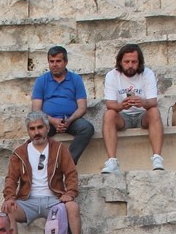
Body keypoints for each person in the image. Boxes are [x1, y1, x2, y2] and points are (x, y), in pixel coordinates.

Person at [1, 111, 83, 234]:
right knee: (7, 210)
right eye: (32, 129)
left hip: (53, 200)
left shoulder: (59, 149)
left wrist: (70, 193)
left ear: (46, 128)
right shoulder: (20, 152)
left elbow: (71, 173)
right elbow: (11, 178)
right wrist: (9, 197)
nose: (36, 132)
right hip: (28, 201)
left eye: (40, 127)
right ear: (28, 131)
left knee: (72, 207)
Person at [100, 43, 165, 175]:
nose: (130, 65)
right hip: (122, 116)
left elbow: (153, 102)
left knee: (154, 111)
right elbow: (110, 104)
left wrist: (143, 102)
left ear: (139, 62)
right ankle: (112, 161)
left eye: (134, 62)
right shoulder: (112, 75)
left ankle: (157, 158)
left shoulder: (147, 74)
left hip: (142, 114)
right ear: (120, 62)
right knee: (109, 114)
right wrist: (122, 105)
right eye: (127, 62)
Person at [30, 45, 94, 167]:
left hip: (71, 119)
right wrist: (53, 121)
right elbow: (36, 109)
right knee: (37, 130)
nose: (54, 64)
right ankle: (37, 164)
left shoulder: (76, 79)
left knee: (87, 128)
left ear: (66, 62)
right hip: (48, 120)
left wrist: (69, 121)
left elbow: (82, 107)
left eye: (58, 61)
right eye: (51, 61)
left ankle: (66, 163)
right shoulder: (41, 80)